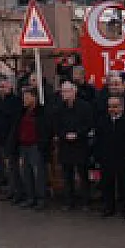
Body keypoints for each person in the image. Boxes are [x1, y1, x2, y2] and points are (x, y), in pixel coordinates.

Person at [95, 95, 125, 218]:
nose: (112, 109)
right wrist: (98, 158)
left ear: (121, 107)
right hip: (107, 158)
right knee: (107, 184)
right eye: (109, 106)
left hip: (124, 158)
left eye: (115, 106)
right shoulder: (102, 121)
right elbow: (98, 141)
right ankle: (109, 207)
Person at [52, 81, 94, 210]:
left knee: (83, 174)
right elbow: (56, 125)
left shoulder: (85, 106)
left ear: (73, 91)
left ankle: (86, 201)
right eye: (62, 91)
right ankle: (69, 201)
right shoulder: (59, 107)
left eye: (66, 91)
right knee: (67, 175)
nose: (63, 94)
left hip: (80, 144)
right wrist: (64, 135)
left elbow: (88, 124)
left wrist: (77, 134)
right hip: (65, 145)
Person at [15, 87, 51, 209]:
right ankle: (30, 197)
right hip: (24, 145)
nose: (24, 100)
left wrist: (43, 144)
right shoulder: (22, 111)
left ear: (34, 98)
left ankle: (41, 199)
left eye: (27, 97)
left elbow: (46, 130)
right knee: (26, 173)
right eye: (23, 97)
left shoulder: (42, 111)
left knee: (38, 174)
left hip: (36, 146)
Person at [0, 78, 23, 198]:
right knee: (6, 166)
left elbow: (9, 116)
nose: (0, 90)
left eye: (3, 87)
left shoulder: (14, 100)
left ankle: (17, 192)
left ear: (9, 87)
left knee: (13, 167)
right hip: (1, 137)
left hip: (12, 137)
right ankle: (10, 190)